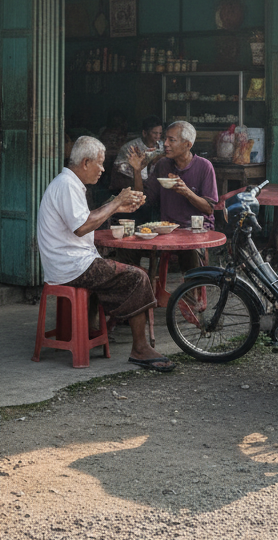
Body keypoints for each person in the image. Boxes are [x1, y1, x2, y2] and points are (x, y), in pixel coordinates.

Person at [36, 135, 176, 373]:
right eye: (100, 164)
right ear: (86, 162)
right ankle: (140, 348)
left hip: (73, 263)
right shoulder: (67, 185)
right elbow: (81, 227)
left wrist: (118, 205)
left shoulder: (69, 183)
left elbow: (84, 219)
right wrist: (116, 202)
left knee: (125, 270)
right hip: (71, 266)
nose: (102, 169)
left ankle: (95, 330)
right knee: (138, 276)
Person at [130, 121, 218, 271]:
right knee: (130, 246)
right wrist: (137, 171)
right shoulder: (163, 165)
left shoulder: (204, 166)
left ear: (187, 145)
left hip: (195, 229)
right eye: (165, 139)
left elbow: (209, 209)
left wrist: (186, 191)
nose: (165, 144)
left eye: (172, 140)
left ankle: (190, 293)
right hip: (167, 229)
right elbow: (144, 200)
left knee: (191, 253)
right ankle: (148, 289)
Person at [111, 115, 163, 192]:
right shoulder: (130, 148)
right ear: (144, 133)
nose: (158, 136)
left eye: (160, 133)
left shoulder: (162, 146)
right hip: (131, 187)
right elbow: (119, 174)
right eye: (155, 133)